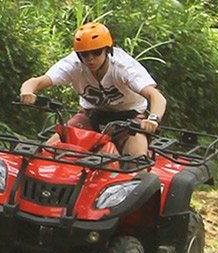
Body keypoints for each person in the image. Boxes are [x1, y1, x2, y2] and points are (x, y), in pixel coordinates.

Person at [19, 22, 167, 157]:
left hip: (129, 118)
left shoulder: (124, 67)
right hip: (91, 115)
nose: (90, 58)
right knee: (49, 150)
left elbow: (156, 96)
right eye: (84, 54)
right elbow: (38, 81)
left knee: (137, 158)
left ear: (107, 50)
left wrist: (153, 119)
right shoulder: (73, 65)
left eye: (96, 52)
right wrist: (27, 92)